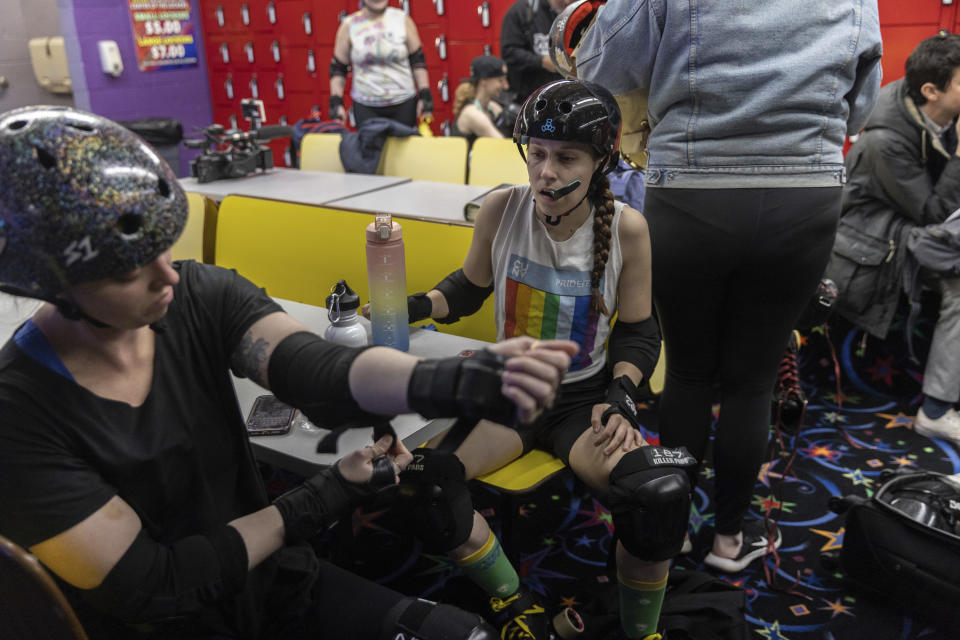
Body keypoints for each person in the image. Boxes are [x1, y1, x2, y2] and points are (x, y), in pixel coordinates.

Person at [0, 105, 577, 639]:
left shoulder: (198, 295)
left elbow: (315, 371)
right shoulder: (19, 417)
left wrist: (438, 382)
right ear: (50, 282)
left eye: (164, 248)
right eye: (130, 270)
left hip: (273, 578)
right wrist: (322, 498)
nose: (166, 275)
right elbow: (159, 584)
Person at [569, 0, 883, 573]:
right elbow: (860, 105)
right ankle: (729, 542)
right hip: (803, 192)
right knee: (753, 381)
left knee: (688, 371)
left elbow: (601, 69)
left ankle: (676, 531)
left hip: (692, 188)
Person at [398, 79, 697, 640]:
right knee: (425, 486)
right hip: (509, 392)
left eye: (565, 158)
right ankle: (513, 602)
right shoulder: (501, 209)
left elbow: (637, 330)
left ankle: (642, 632)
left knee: (657, 498)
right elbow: (466, 289)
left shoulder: (628, 227)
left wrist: (622, 395)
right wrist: (413, 304)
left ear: (600, 159)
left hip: (581, 402)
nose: (545, 172)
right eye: (536, 154)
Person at [827, 33, 960, 446]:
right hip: (873, 241)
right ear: (931, 91)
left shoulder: (940, 115)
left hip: (912, 224)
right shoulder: (885, 141)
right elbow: (933, 213)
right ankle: (936, 411)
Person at [329, 0, 434, 129]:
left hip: (403, 103)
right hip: (366, 106)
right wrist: (336, 103)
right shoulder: (349, 25)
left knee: (403, 148)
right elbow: (338, 68)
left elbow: (418, 61)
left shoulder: (402, 20)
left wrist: (425, 96)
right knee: (370, 148)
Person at [500, 0, 577, 104]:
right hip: (527, 98)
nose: (567, 2)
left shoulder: (572, 12)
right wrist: (542, 62)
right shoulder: (521, 11)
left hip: (564, 97)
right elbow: (509, 52)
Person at [450, 55, 510, 148]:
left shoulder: (492, 107)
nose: (506, 86)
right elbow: (503, 146)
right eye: (500, 80)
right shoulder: (472, 114)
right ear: (484, 81)